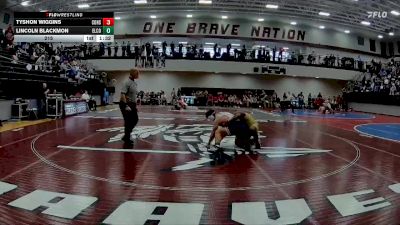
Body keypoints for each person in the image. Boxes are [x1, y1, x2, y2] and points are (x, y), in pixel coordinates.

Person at [119, 69, 139, 145]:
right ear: (132, 73)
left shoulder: (134, 83)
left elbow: (133, 96)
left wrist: (135, 106)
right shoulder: (126, 82)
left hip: (132, 104)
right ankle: (127, 138)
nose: (138, 75)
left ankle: (126, 135)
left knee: (135, 119)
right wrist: (125, 105)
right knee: (128, 121)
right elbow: (122, 94)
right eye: (137, 73)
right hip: (126, 104)